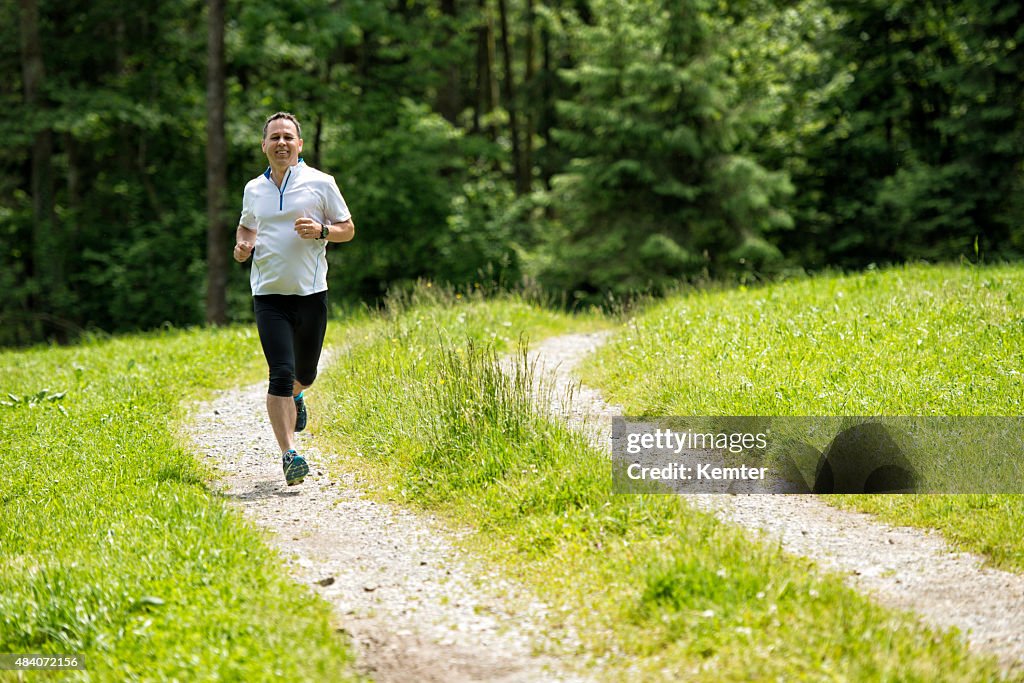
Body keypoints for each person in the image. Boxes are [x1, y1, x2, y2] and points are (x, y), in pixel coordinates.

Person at [233, 111, 355, 486]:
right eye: (275, 137)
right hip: (268, 294)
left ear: (299, 145)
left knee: (305, 375)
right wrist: (243, 244)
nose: (282, 143)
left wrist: (321, 230)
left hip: (310, 293)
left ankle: (298, 397)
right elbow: (247, 224)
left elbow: (347, 230)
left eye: (289, 137)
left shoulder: (321, 183)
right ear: (264, 145)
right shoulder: (254, 188)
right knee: (280, 374)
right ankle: (289, 455)